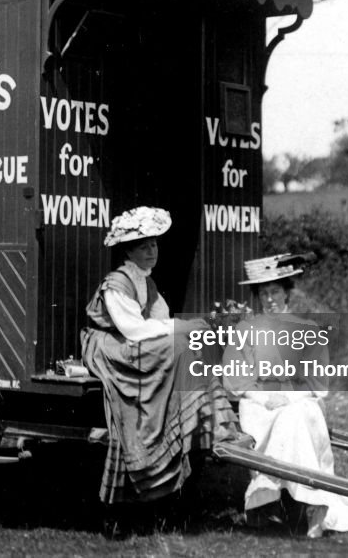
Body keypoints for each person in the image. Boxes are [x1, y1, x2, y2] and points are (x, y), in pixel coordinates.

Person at [81, 206, 238, 504]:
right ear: (129, 251)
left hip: (133, 339)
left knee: (189, 338)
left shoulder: (145, 280)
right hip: (110, 346)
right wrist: (179, 328)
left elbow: (161, 319)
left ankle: (208, 418)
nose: (152, 250)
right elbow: (135, 331)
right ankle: (167, 428)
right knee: (177, 343)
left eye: (154, 244)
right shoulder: (118, 283)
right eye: (144, 246)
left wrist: (184, 327)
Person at [222, 254, 348, 537]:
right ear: (257, 296)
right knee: (287, 420)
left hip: (298, 401)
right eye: (263, 293)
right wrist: (265, 399)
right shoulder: (245, 330)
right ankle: (291, 501)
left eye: (275, 291)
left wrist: (287, 398)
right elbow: (235, 379)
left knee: (297, 416)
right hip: (259, 407)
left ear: (287, 293)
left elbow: (318, 384)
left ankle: (313, 504)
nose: (270, 299)